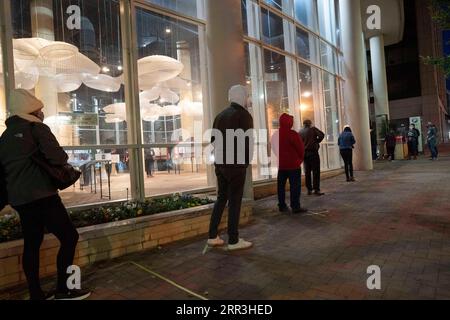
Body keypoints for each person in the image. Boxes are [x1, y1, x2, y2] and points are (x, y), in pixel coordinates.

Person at [0, 89, 91, 300]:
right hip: (42, 195)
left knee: (32, 243)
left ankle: (36, 294)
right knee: (69, 236)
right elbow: (59, 157)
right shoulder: (36, 128)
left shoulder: (4, 137)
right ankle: (64, 289)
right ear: (31, 110)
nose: (42, 113)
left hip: (19, 199)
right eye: (40, 109)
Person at [207, 85, 254, 251]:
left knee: (221, 198)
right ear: (241, 97)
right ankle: (233, 240)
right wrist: (246, 162)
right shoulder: (244, 115)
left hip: (220, 164)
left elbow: (212, 139)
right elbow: (249, 141)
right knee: (235, 201)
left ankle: (212, 236)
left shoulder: (220, 115)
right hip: (236, 164)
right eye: (246, 96)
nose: (248, 99)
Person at [271, 114, 306, 214]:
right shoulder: (293, 134)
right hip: (293, 165)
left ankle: (282, 205)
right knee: (295, 186)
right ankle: (295, 206)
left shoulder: (275, 135)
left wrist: (280, 157)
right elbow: (301, 149)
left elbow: (274, 148)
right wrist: (299, 159)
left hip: (281, 165)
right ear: (289, 122)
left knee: (281, 187)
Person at [299, 120, 325, 196]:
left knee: (307, 172)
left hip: (305, 154)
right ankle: (316, 189)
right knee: (316, 171)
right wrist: (316, 141)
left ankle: (309, 190)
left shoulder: (300, 132)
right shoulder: (313, 129)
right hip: (313, 153)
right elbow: (321, 135)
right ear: (310, 124)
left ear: (303, 124)